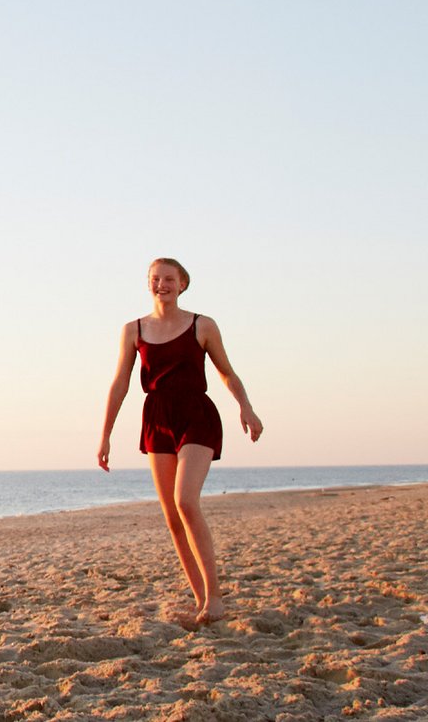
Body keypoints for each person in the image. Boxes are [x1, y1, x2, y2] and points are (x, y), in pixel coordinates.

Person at [97, 257, 264, 625]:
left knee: (185, 500)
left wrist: (246, 408)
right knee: (172, 517)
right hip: (156, 417)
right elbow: (120, 384)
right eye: (155, 279)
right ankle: (201, 598)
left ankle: (216, 596)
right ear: (149, 283)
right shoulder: (133, 330)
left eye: (169, 279)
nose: (162, 284)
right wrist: (106, 433)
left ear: (183, 283)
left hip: (196, 414)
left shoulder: (202, 325)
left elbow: (226, 372)